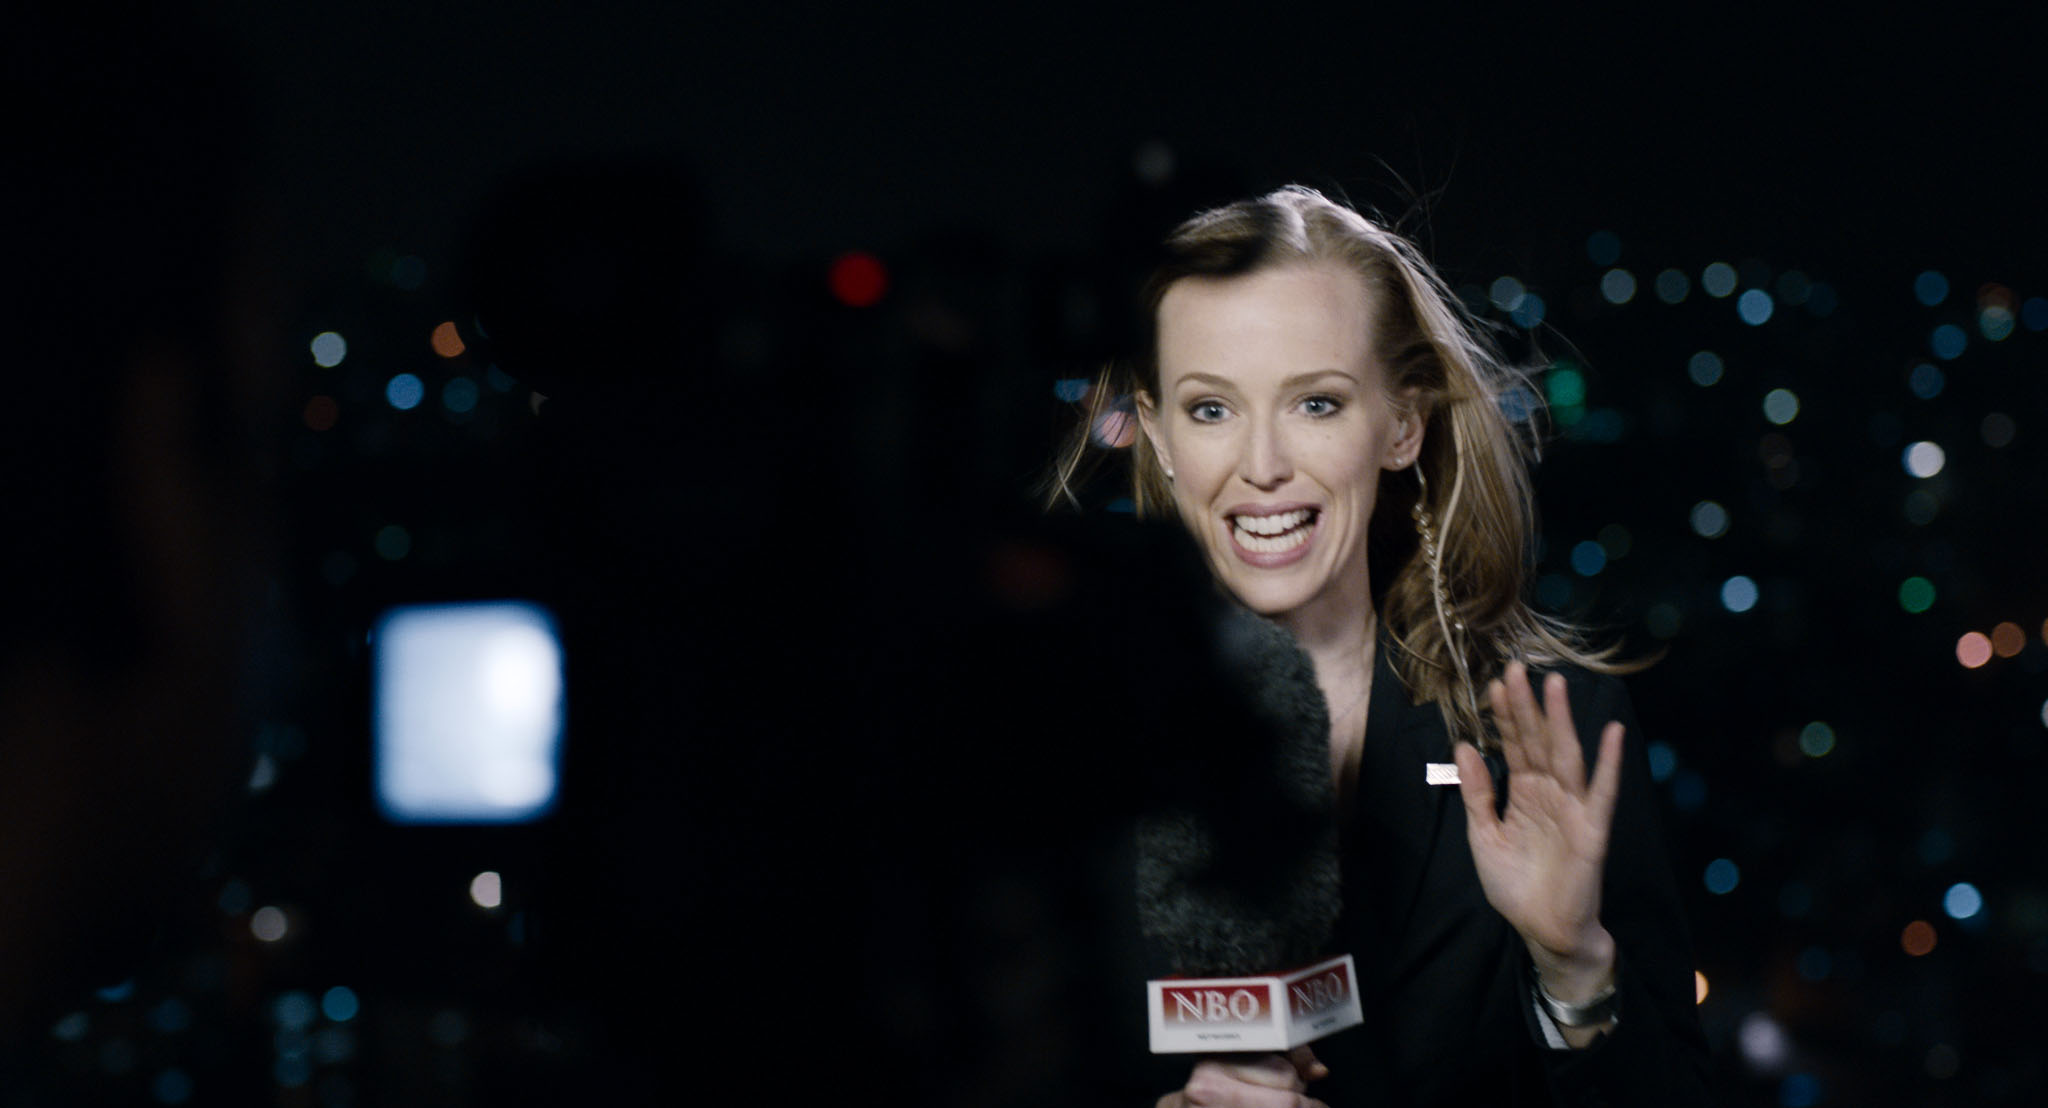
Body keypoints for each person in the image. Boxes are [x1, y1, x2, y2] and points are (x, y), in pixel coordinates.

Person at [1050, 187, 1715, 1106]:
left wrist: (1573, 965)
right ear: (1157, 434)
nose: (1262, 466)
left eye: (1316, 403)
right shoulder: (1056, 741)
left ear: (1402, 425)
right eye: (1211, 410)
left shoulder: (1547, 732)